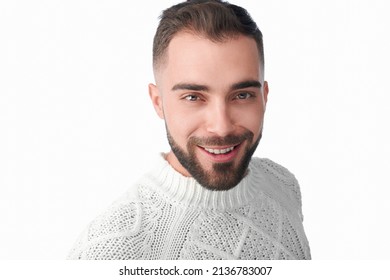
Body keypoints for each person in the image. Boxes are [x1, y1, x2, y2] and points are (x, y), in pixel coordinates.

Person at [68, 0, 311, 260]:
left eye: (241, 95)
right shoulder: (110, 252)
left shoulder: (282, 183)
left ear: (264, 97)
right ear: (158, 102)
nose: (221, 126)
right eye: (193, 97)